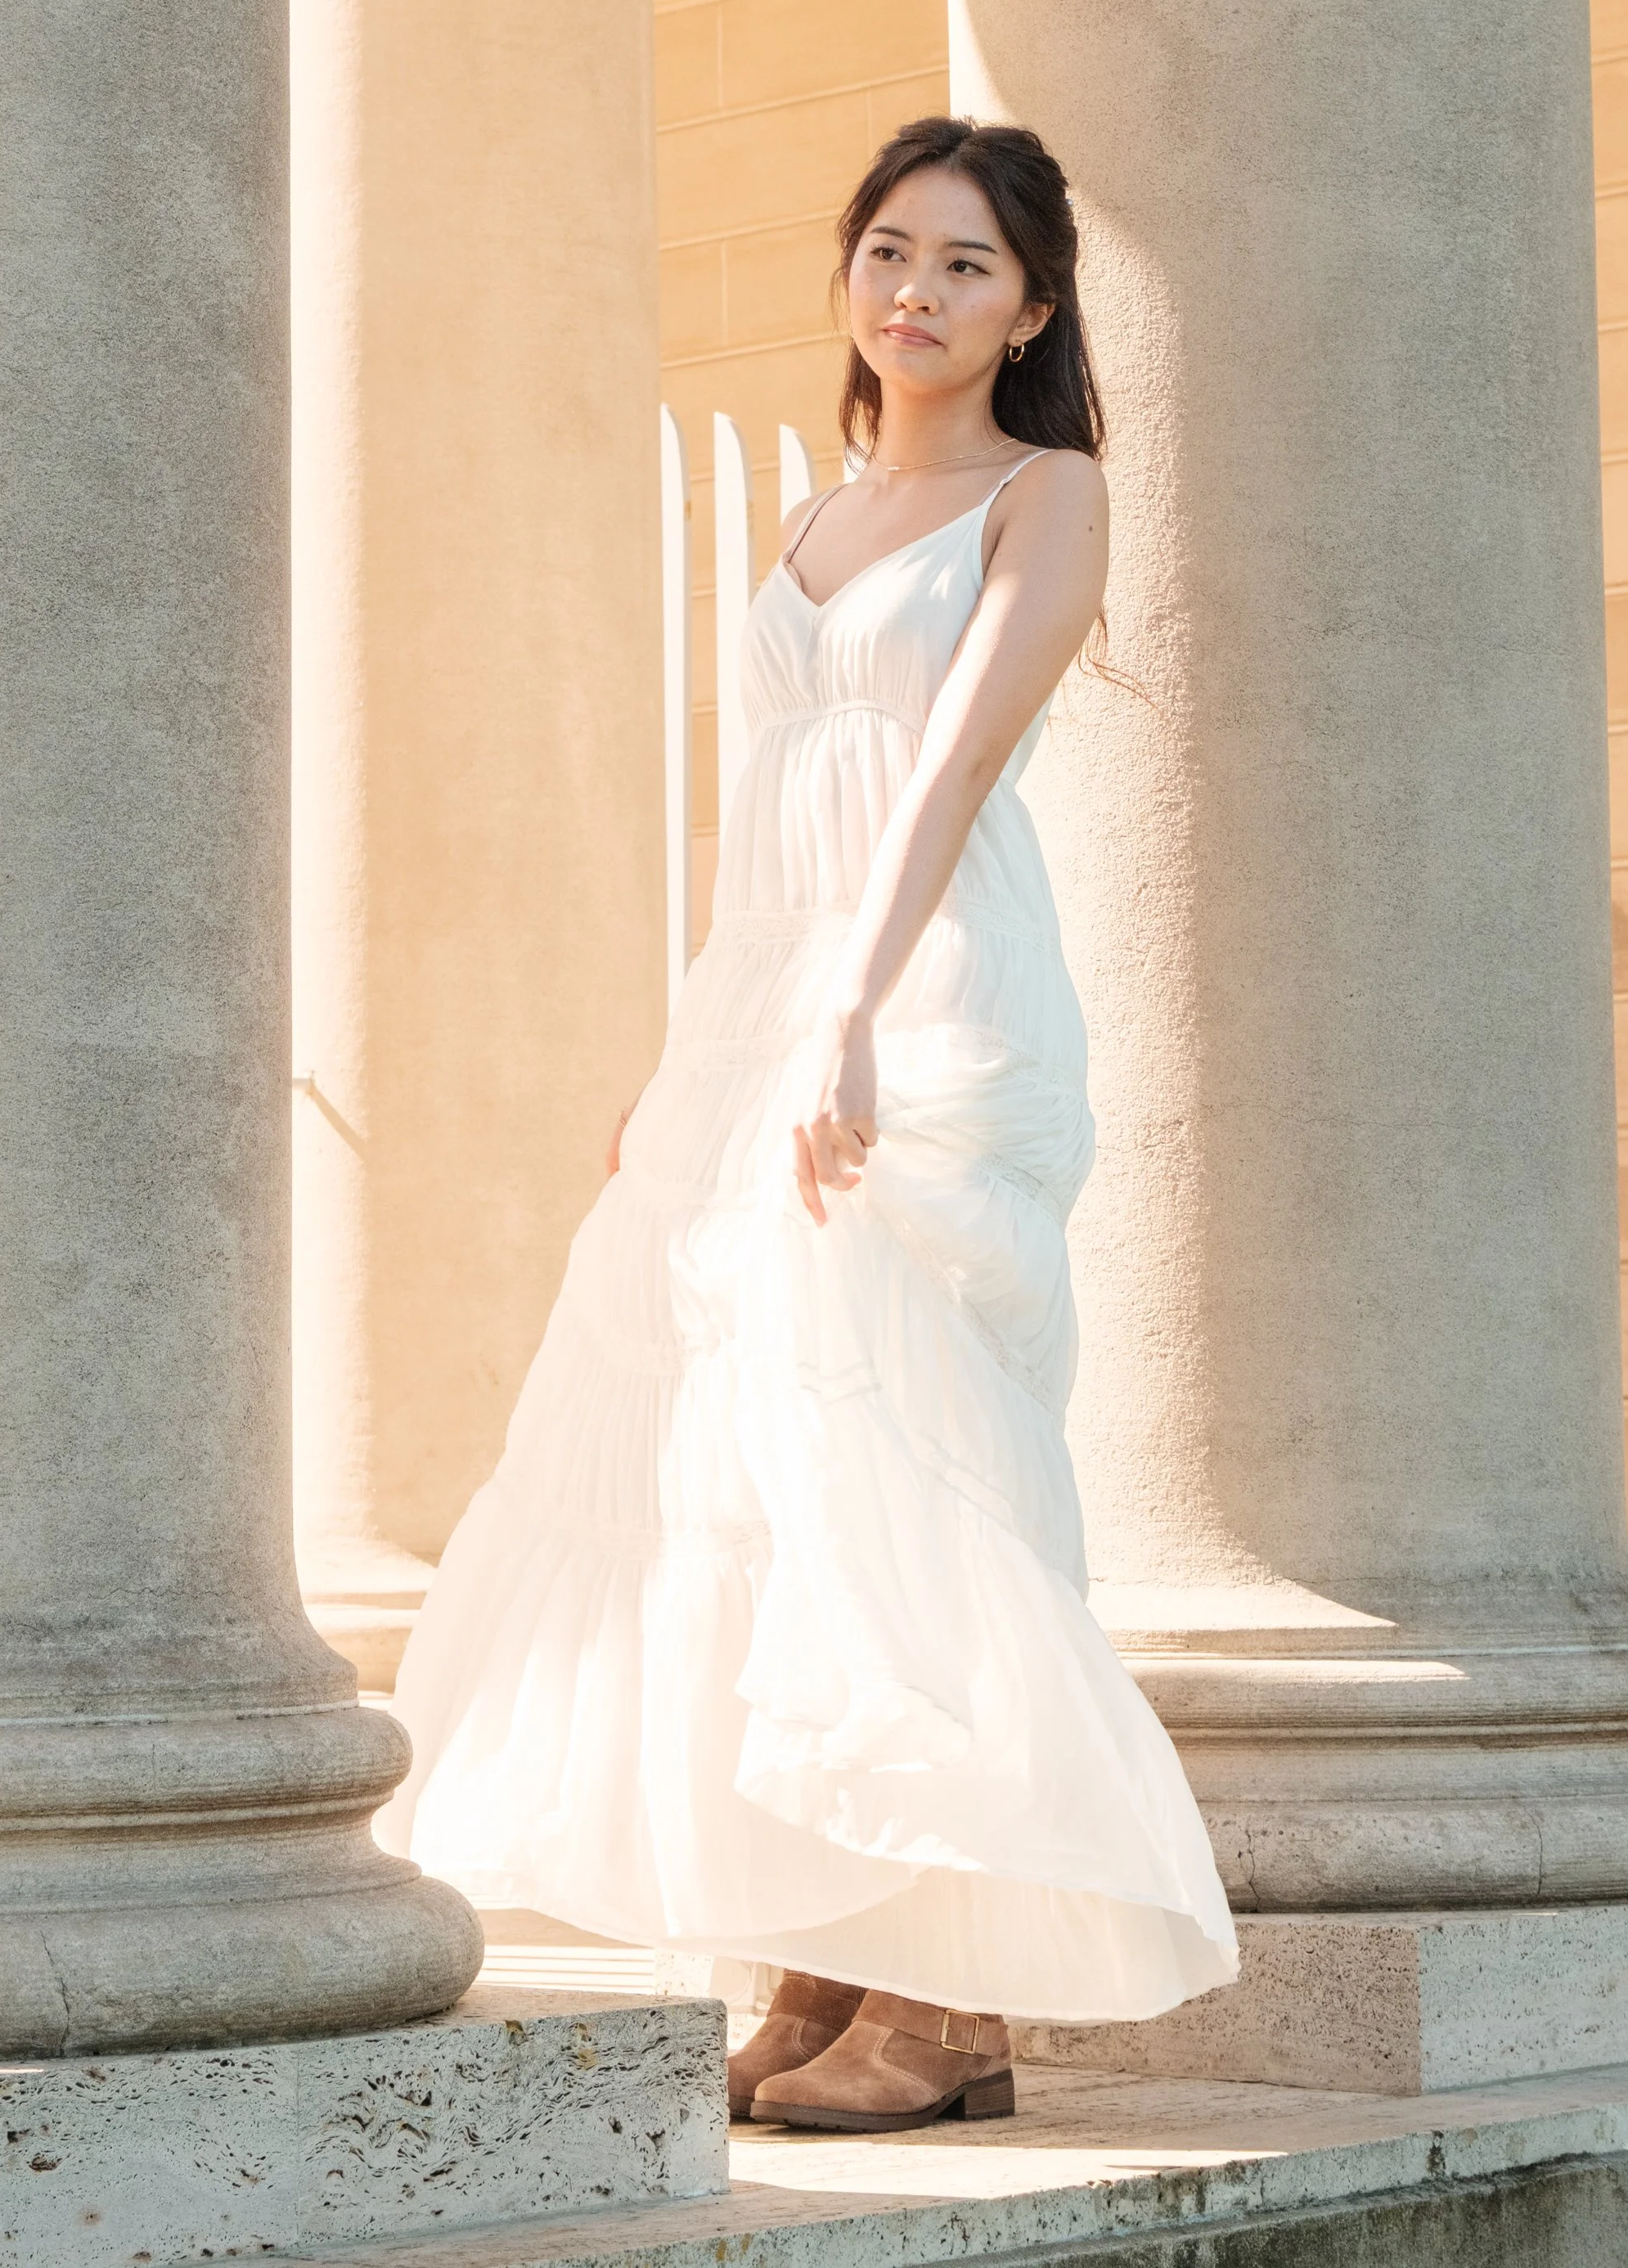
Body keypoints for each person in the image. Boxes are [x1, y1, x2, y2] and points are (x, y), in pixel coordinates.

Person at [381, 115, 1237, 2133]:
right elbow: (761, 819)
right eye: (885, 251)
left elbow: (947, 770)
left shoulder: (1051, 495)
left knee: (910, 1453)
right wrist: (705, 1045)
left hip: (922, 992)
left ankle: (955, 2008)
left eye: (961, 264)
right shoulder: (804, 526)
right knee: (748, 1469)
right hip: (769, 997)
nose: (914, 292)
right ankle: (832, 1957)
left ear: (1030, 307)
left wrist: (850, 1008)